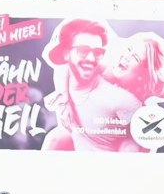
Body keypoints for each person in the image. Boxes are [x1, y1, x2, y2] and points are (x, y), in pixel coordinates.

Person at [40, 18, 146, 152]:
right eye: (83, 50)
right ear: (66, 53)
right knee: (56, 138)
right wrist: (64, 101)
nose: (91, 58)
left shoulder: (117, 91)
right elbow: (63, 67)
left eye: (97, 52)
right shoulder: (66, 74)